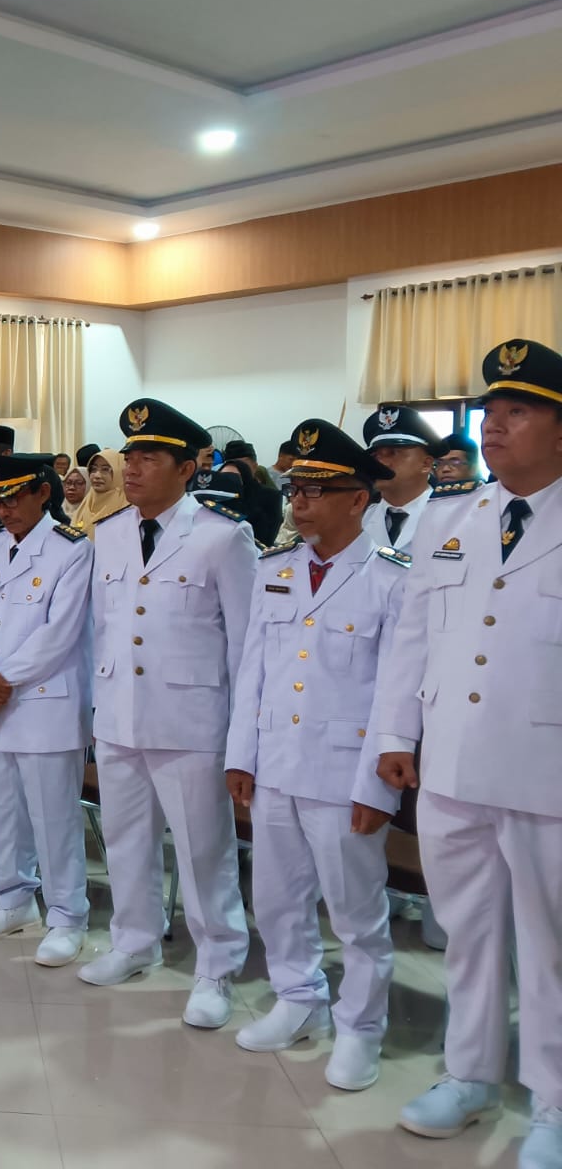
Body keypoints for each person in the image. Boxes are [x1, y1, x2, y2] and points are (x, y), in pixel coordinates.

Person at [369, 340, 562, 1165]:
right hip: (450, 765)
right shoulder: (450, 519)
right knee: (467, 932)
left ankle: (554, 1102)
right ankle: (470, 1075)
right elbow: (410, 638)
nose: (495, 426)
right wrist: (393, 735)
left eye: (519, 411)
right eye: (490, 411)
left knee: (551, 945)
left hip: (546, 772)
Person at [225, 419, 406, 1091]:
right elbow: (253, 670)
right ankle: (298, 998)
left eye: (315, 491)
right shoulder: (275, 569)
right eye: (294, 489)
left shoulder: (391, 578)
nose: (298, 502)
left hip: (343, 772)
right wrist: (241, 755)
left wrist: (377, 787)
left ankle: (361, 1027)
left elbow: (396, 693)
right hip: (276, 762)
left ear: (358, 499)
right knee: (276, 898)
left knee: (356, 914)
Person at [78, 398, 256, 1033]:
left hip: (190, 721)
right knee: (126, 838)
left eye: (149, 457)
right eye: (129, 455)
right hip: (119, 714)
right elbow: (102, 628)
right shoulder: (111, 532)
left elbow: (246, 645)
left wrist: (241, 739)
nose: (132, 467)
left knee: (204, 850)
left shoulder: (221, 536)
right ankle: (134, 940)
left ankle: (217, 964)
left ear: (187, 468)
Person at [0, 453, 93, 964]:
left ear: (43, 493)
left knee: (53, 818)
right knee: (2, 812)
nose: (4, 509)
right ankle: (13, 902)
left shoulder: (71, 550)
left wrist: (2, 681)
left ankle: (67, 917)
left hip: (43, 702)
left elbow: (60, 633)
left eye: (14, 497)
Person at [361, 404, 439, 552]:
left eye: (393, 453)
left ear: (426, 464)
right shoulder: (360, 519)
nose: (381, 463)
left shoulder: (452, 516)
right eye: (376, 456)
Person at [222, 439, 285, 545]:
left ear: (255, 466)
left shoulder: (272, 496)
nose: (238, 470)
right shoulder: (218, 495)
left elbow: (269, 537)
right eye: (233, 466)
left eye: (243, 465)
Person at [70, 447, 129, 534]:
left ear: (119, 472)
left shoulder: (128, 511)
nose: (97, 475)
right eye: (93, 469)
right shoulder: (86, 503)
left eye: (105, 469)